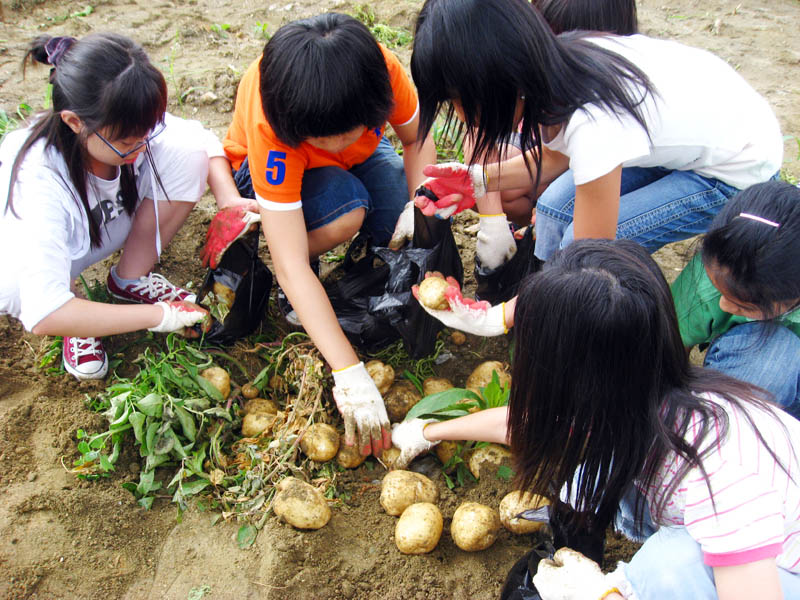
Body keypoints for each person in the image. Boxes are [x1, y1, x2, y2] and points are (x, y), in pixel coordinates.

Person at [393, 239, 800, 600]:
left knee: (669, 568)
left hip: (779, 571)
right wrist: (427, 432)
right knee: (580, 454)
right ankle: (572, 551)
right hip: (735, 545)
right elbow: (533, 423)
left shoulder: (721, 475)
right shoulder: (636, 390)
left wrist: (604, 594)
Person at [202, 13, 437, 457]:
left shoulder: (378, 73)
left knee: (395, 231)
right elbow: (291, 266)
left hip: (358, 159)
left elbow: (415, 137)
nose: (333, 141)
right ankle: (281, 255)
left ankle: (334, 260)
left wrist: (420, 200)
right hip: (271, 173)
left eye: (344, 133)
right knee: (346, 211)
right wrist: (348, 371)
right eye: (326, 138)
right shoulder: (274, 125)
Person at [409, 0, 782, 274]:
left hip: (733, 170)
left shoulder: (595, 120)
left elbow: (591, 251)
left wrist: (498, 318)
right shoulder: (552, 68)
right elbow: (560, 157)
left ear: (495, 82)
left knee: (576, 253)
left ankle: (558, 314)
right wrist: (478, 179)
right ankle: (541, 289)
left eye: (458, 103)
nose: (458, 115)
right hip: (682, 145)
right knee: (553, 209)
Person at [0, 33, 249, 380]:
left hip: (102, 221)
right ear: (74, 122)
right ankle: (79, 311)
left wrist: (228, 199)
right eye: (127, 141)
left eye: (148, 131)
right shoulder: (38, 177)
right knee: (17, 287)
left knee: (187, 154)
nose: (143, 143)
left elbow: (199, 141)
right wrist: (161, 316)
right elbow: (42, 313)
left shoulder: (126, 120)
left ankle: (129, 279)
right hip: (33, 259)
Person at [672, 180, 800, 418]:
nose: (724, 305)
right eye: (716, 288)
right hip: (762, 370)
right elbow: (669, 350)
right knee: (774, 355)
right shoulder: (716, 270)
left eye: (744, 305)